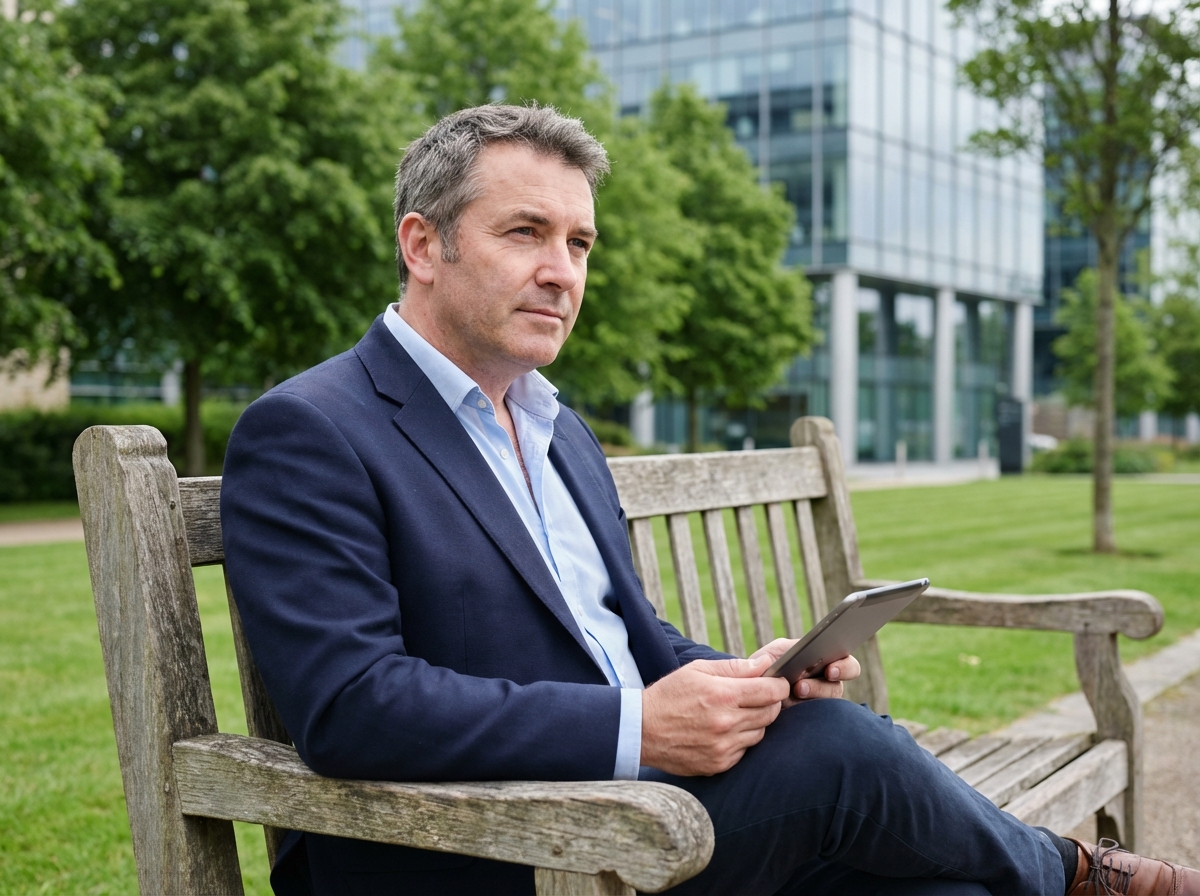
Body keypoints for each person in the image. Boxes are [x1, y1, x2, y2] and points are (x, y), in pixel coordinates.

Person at [221, 104, 1199, 896]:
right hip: (495, 847)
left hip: (649, 808)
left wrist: (746, 678)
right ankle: (1075, 870)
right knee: (848, 752)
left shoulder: (557, 426)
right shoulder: (311, 429)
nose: (563, 271)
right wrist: (639, 726)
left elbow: (622, 634)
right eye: (525, 232)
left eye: (580, 241)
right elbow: (352, 705)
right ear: (422, 245)